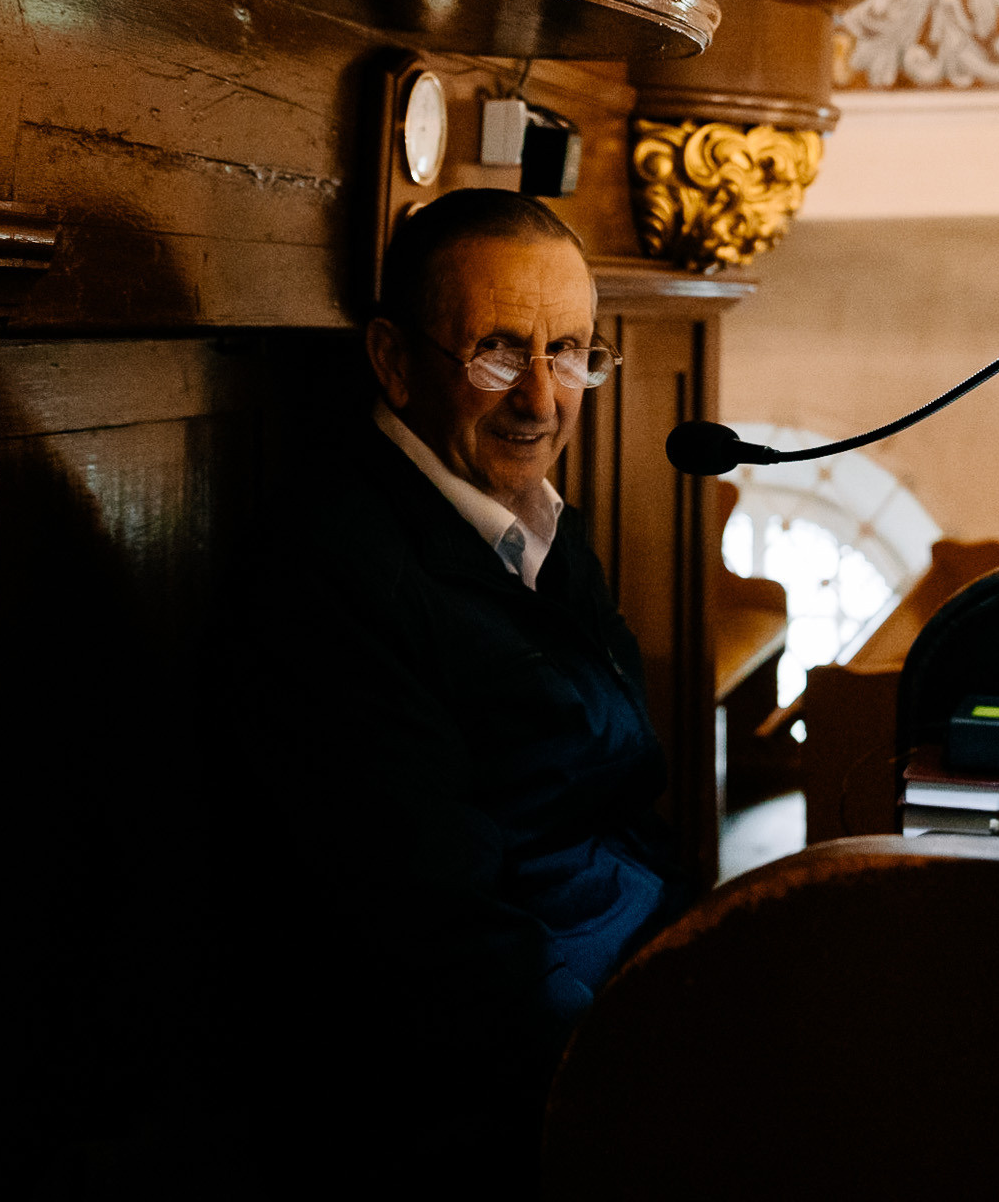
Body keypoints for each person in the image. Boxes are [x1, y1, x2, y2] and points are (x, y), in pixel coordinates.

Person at [234, 189, 692, 1195]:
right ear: (394, 360)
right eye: (497, 352)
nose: (542, 399)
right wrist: (645, 1072)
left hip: (641, 985)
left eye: (568, 353)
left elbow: (624, 794)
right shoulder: (334, 573)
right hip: (486, 1104)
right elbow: (437, 938)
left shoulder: (532, 522)